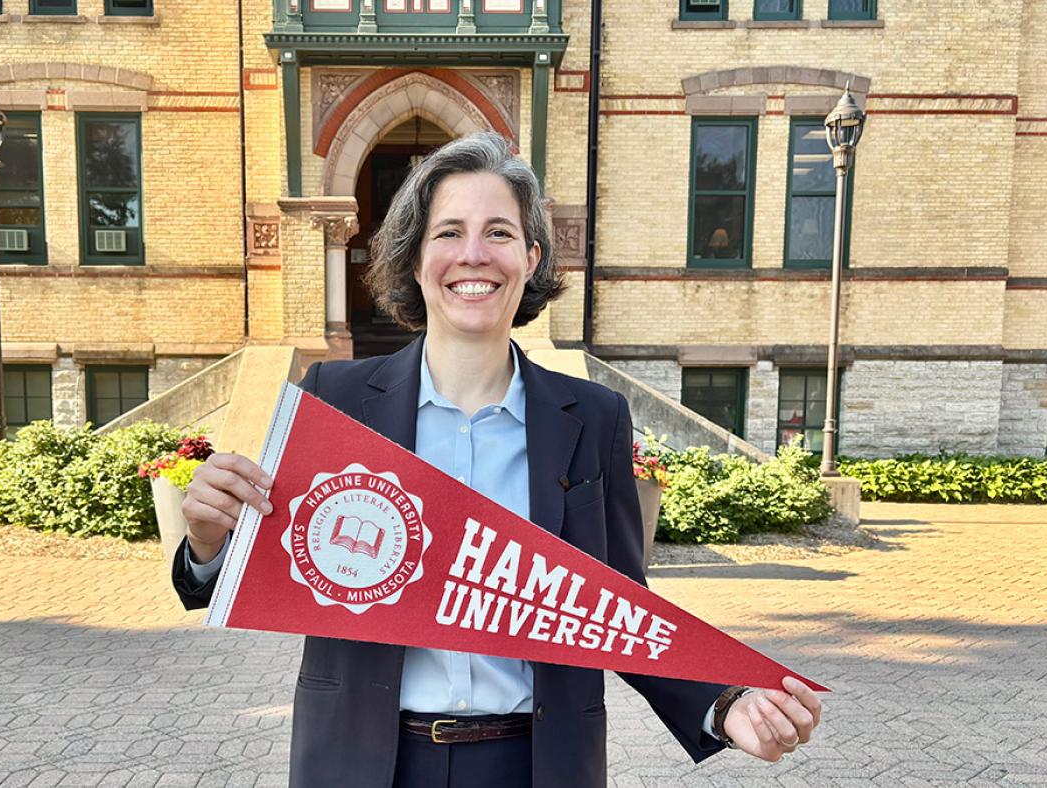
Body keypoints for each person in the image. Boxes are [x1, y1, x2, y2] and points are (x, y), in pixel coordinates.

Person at [171, 132, 823, 787]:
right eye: (449, 232)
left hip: (536, 763)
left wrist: (725, 702)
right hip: (363, 760)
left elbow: (614, 605)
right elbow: (263, 565)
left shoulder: (594, 418)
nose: (474, 255)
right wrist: (209, 541)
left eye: (501, 233)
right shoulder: (334, 399)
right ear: (416, 258)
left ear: (532, 256)